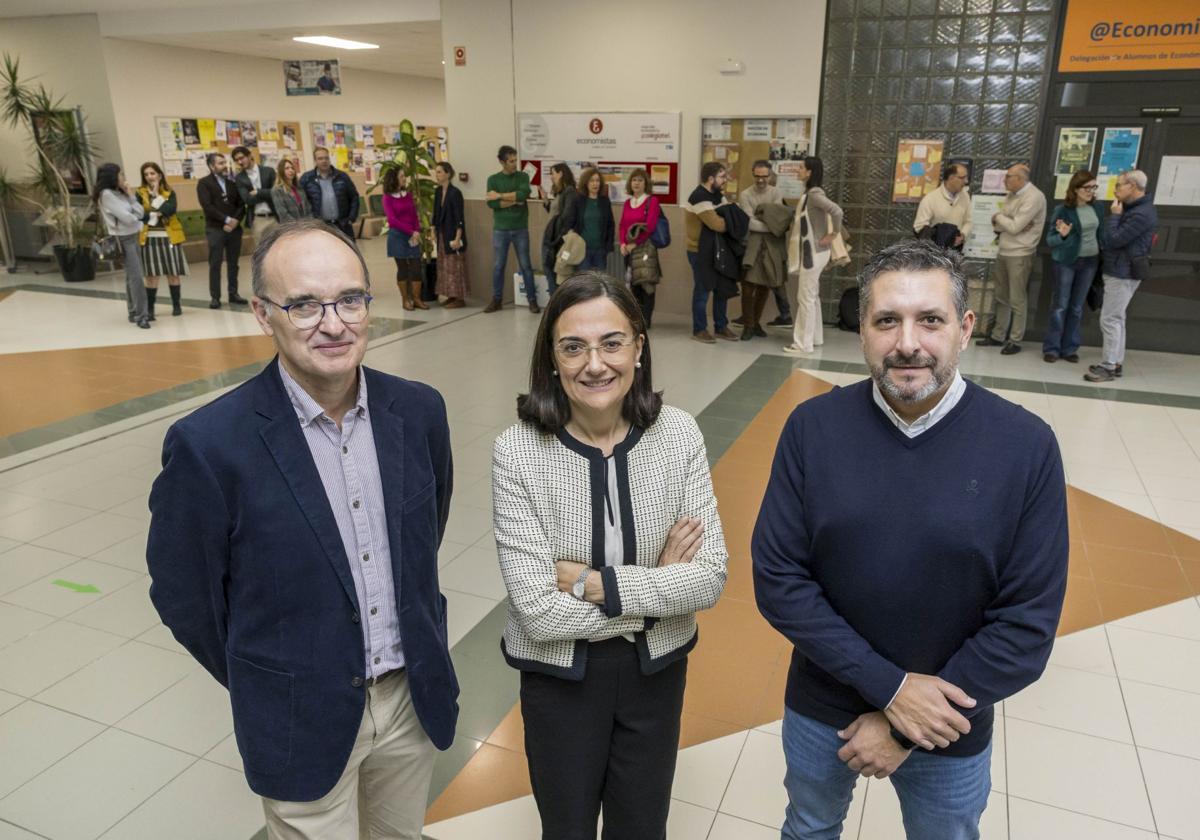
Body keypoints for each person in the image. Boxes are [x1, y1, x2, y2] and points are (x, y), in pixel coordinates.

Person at [147, 218, 459, 840]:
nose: (334, 323)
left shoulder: (419, 411)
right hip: (300, 713)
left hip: (409, 702)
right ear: (264, 314)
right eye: (305, 305)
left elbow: (425, 536)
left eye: (349, 299)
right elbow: (186, 597)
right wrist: (274, 674)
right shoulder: (210, 446)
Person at [753, 239, 1067, 840]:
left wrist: (903, 724)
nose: (907, 344)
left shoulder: (1025, 446)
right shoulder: (812, 429)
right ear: (862, 329)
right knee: (809, 826)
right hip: (824, 706)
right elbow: (779, 579)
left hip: (951, 719)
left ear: (965, 326)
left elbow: (1026, 624)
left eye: (930, 319)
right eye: (887, 321)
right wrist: (890, 689)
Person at [492, 272, 728, 840]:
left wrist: (594, 583)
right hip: (560, 682)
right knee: (567, 827)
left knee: (642, 827)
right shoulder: (518, 450)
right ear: (551, 358)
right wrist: (659, 587)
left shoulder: (679, 436)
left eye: (612, 342)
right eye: (573, 347)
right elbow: (538, 614)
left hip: (656, 674)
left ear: (639, 347)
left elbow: (710, 577)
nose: (595, 364)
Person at [1084, 169, 1158, 383]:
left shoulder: (1141, 213)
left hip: (1123, 271)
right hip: (1120, 269)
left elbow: (1113, 240)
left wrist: (1115, 217)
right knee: (1117, 318)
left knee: (1110, 319)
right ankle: (1115, 362)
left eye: (1119, 185)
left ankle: (1108, 366)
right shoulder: (1136, 209)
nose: (1115, 190)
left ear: (1132, 186)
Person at [976, 164, 1046, 355]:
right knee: (1001, 296)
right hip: (1004, 249)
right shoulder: (1011, 195)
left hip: (1021, 253)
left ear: (1020, 178)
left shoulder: (1034, 196)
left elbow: (1013, 226)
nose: (1004, 180)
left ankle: (1015, 339)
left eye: (1008, 176)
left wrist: (1000, 217)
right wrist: (1004, 221)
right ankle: (998, 336)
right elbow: (1001, 227)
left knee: (1017, 298)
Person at [1043, 170, 1104, 364]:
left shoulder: (1098, 208)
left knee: (1077, 308)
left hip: (1090, 262)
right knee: (1061, 306)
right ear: (1076, 189)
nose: (1091, 191)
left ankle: (1069, 348)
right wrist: (1063, 235)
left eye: (1094, 187)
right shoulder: (1063, 210)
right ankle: (1052, 348)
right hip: (1067, 262)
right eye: (1087, 187)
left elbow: (1101, 234)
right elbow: (1051, 240)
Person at [784, 156, 843, 355]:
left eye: (801, 168)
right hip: (816, 252)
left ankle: (802, 344)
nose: (798, 171)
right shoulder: (811, 194)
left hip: (813, 252)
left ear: (809, 172)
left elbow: (837, 211)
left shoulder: (815, 194)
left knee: (805, 297)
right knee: (812, 296)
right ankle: (814, 338)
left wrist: (833, 234)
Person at [738, 160, 792, 341]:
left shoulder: (776, 192)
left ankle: (756, 323)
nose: (761, 180)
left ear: (770, 176)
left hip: (771, 246)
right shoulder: (745, 194)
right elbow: (749, 222)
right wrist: (770, 224)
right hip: (751, 246)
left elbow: (779, 220)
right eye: (757, 176)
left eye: (764, 176)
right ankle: (748, 325)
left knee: (764, 286)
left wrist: (768, 221)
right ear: (753, 175)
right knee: (748, 287)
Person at [684, 162, 737, 343]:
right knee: (703, 290)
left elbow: (727, 215)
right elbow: (718, 224)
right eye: (722, 176)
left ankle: (721, 326)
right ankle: (699, 329)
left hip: (716, 250)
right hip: (699, 251)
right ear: (711, 178)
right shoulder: (699, 197)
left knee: (720, 289)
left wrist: (728, 217)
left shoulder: (717, 195)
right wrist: (728, 218)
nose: (725, 180)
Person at [94, 162, 150, 328]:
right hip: (123, 239)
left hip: (134, 235)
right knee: (137, 278)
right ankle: (142, 316)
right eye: (120, 174)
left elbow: (140, 212)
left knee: (131, 277)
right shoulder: (106, 195)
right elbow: (128, 218)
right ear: (112, 177)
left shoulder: (121, 192)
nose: (123, 178)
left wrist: (130, 194)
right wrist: (135, 217)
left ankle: (133, 312)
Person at [486, 144, 538, 313]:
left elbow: (524, 195)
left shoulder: (522, 176)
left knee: (526, 265)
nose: (514, 164)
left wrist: (500, 195)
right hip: (500, 229)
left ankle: (532, 300)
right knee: (498, 265)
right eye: (510, 161)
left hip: (520, 228)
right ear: (502, 162)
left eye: (515, 160)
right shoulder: (492, 179)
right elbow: (491, 203)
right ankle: (497, 299)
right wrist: (514, 200)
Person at [135, 161, 189, 319]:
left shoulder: (169, 192)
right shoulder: (139, 193)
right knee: (151, 275)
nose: (149, 177)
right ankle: (150, 309)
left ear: (159, 175)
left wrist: (156, 195)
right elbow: (140, 215)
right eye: (146, 174)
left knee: (173, 272)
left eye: (152, 173)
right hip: (149, 238)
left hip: (169, 237)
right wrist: (155, 213)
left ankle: (176, 305)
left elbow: (170, 210)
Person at [196, 152, 247, 309]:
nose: (224, 165)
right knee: (215, 263)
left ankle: (233, 293)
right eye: (220, 163)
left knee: (233, 263)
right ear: (212, 166)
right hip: (215, 229)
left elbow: (241, 205)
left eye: (225, 162)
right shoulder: (204, 183)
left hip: (234, 229)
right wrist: (226, 220)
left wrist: (234, 221)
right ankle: (215, 297)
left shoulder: (232, 182)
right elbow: (207, 206)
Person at [619, 167, 662, 328]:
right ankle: (636, 319)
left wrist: (633, 244)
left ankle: (646, 320)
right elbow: (622, 225)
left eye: (640, 180)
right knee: (633, 285)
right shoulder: (628, 203)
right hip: (628, 250)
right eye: (634, 180)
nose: (636, 183)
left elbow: (649, 227)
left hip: (645, 249)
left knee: (646, 284)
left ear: (646, 183)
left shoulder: (652, 201)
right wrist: (623, 243)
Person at [382, 167, 426, 312]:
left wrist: (417, 231)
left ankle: (417, 298)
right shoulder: (387, 198)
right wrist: (410, 231)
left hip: (412, 235)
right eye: (401, 176)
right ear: (394, 179)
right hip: (398, 237)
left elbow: (414, 215)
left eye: (404, 176)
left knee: (416, 267)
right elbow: (392, 220)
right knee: (403, 269)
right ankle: (405, 300)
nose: (404, 178)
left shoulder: (407, 195)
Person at [300, 147, 360, 240]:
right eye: (320, 158)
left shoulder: (342, 176)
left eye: (326, 158)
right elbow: (301, 202)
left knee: (347, 252)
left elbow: (354, 197)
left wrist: (351, 218)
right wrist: (310, 221)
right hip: (320, 227)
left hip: (342, 225)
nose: (324, 161)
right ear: (315, 161)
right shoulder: (307, 178)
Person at [432, 161, 469, 308]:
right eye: (436, 172)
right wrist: (433, 230)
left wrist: (458, 237)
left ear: (448, 174)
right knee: (445, 267)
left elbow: (459, 217)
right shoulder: (438, 191)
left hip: (453, 235)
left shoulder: (455, 193)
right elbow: (435, 214)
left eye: (440, 172)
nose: (437, 175)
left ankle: (459, 298)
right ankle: (450, 295)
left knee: (455, 267)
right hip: (442, 234)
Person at [913, 162, 971, 250]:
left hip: (955, 252)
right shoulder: (930, 199)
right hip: (935, 253)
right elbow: (919, 226)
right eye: (962, 178)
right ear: (951, 178)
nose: (966, 181)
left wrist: (962, 235)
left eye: (966, 177)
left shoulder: (965, 196)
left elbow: (968, 221)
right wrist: (939, 238)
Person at [540, 163, 578, 297]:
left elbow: (566, 217)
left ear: (561, 174)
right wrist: (545, 199)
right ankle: (555, 300)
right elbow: (554, 212)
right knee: (550, 270)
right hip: (552, 236)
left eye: (553, 173)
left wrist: (557, 240)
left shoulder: (569, 192)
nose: (551, 177)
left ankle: (556, 302)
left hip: (556, 239)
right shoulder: (561, 192)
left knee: (554, 271)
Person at [568, 167, 615, 272]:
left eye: (597, 181)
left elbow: (610, 224)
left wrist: (608, 246)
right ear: (586, 183)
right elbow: (571, 222)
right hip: (582, 250)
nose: (595, 184)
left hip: (600, 250)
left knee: (599, 282)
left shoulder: (604, 201)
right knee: (585, 283)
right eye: (592, 181)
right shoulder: (578, 200)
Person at [232, 145, 278, 237]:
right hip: (257, 220)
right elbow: (248, 199)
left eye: (241, 158)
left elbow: (277, 193)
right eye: (236, 160)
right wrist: (267, 193)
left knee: (279, 249)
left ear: (249, 155)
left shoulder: (269, 171)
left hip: (275, 217)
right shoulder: (239, 178)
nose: (239, 162)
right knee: (261, 250)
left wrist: (258, 192)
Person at [271, 157, 311, 223]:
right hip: (291, 228)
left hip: (306, 226)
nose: (291, 170)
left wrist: (309, 223)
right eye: (287, 168)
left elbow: (308, 209)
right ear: (281, 171)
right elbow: (283, 214)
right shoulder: (277, 190)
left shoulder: (299, 188)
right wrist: (298, 226)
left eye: (292, 168)